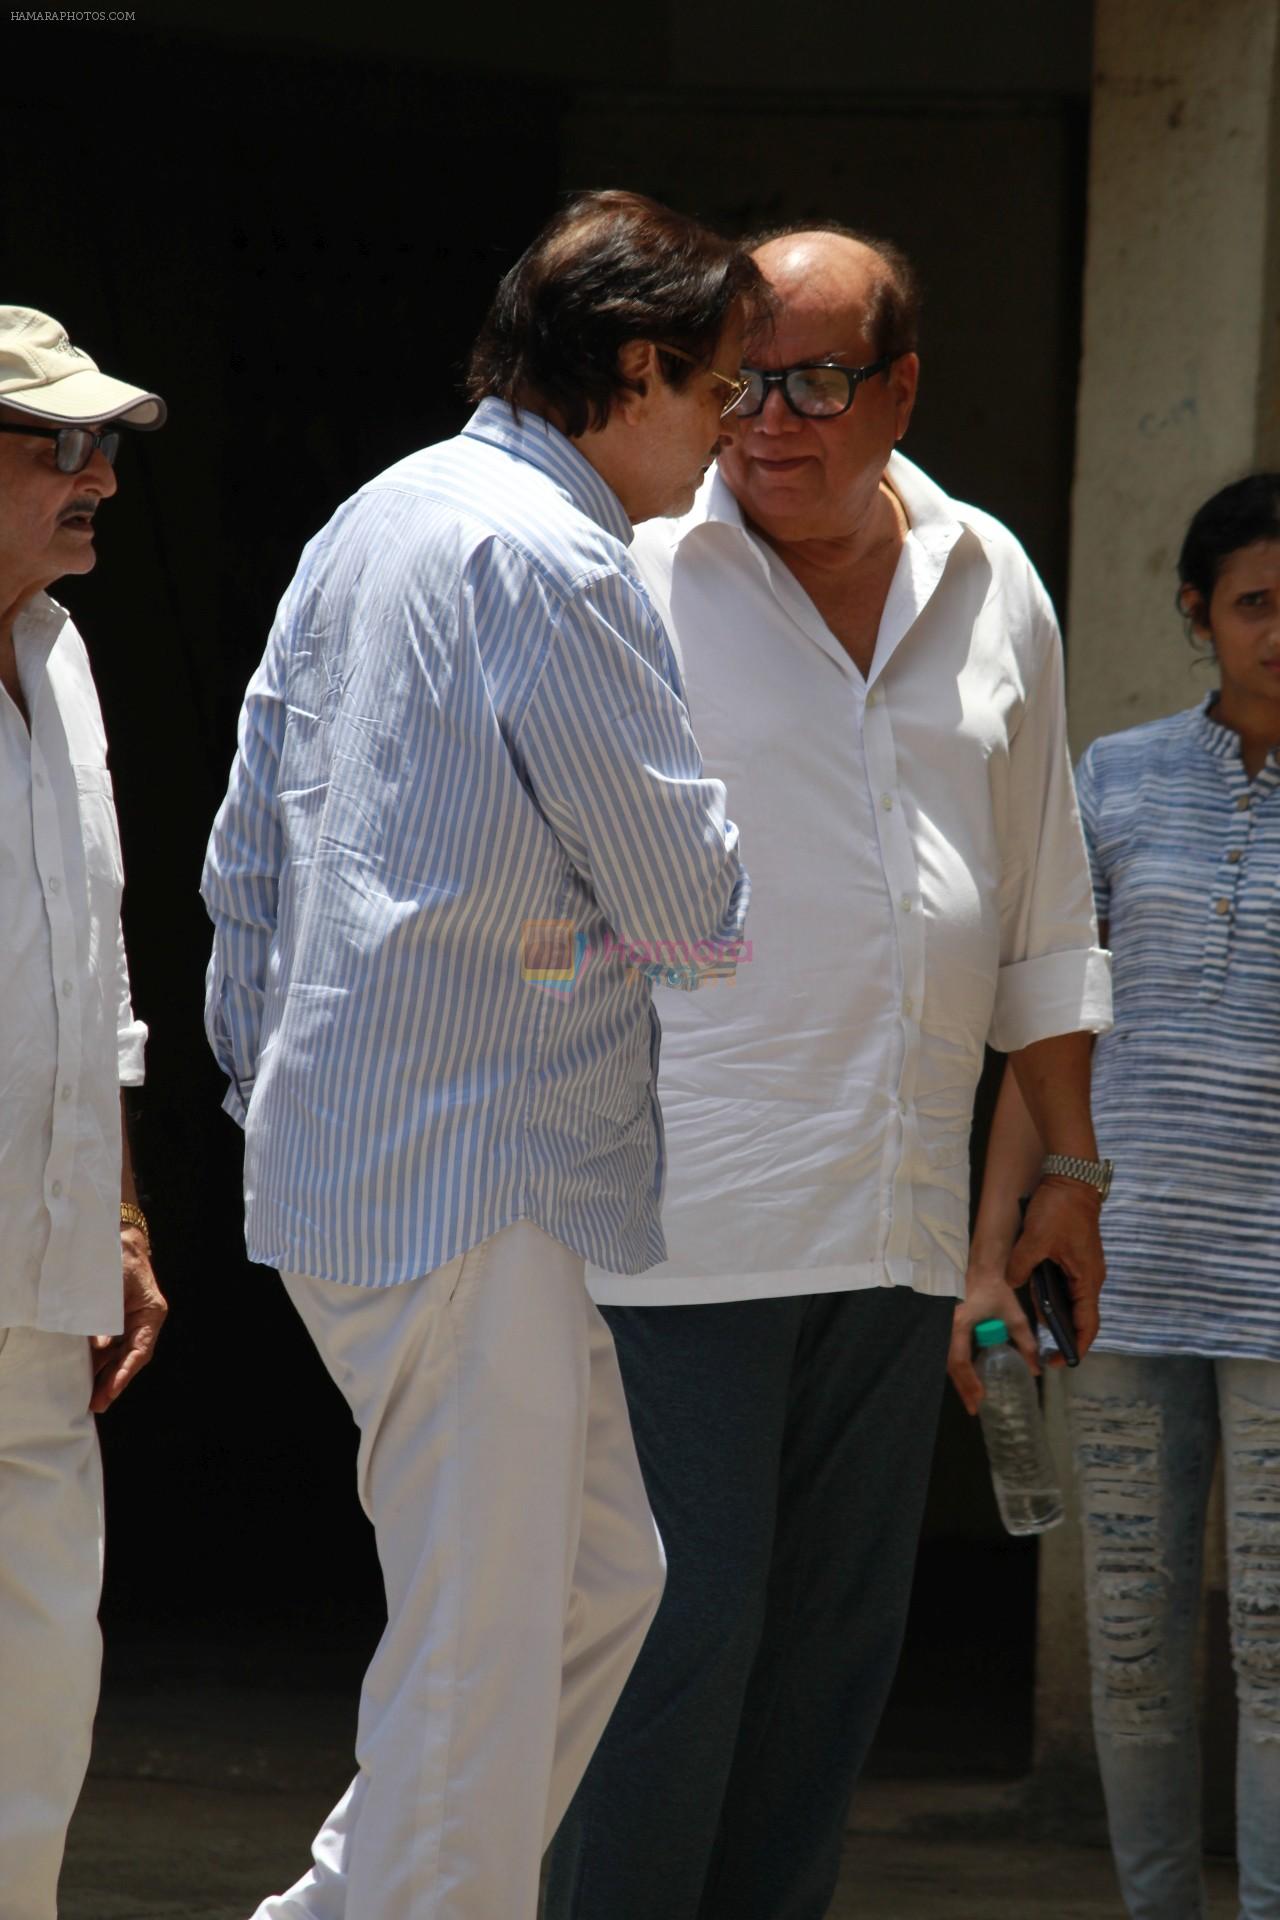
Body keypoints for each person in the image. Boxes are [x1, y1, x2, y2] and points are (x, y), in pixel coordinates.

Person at [201, 190, 765, 1920]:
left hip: (361, 1163)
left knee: (595, 1583)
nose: (740, 431)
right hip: (470, 1174)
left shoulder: (381, 516)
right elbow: (694, 904)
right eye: (734, 389)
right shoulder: (551, 551)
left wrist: (281, 1089)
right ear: (644, 364)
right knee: (487, 1654)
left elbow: (246, 867)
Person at [543, 223, 1113, 1920]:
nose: (768, 422)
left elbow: (1042, 894)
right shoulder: (628, 569)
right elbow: (523, 899)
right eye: (740, 384)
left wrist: (1066, 1180)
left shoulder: (988, 571)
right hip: (672, 1227)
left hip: (898, 1225)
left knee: (827, 1669)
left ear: (901, 387)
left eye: (813, 382)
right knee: (672, 1646)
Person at [952, 475, 1280, 1920]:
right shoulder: (1118, 779)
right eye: (1258, 601)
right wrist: (984, 1264)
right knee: (1136, 1638)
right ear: (1198, 614)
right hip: (1115, 1280)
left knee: (1277, 1639)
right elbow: (1043, 1037)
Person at [0, 305, 168, 1920]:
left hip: (37, 1303)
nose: (98, 474)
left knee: (38, 1712)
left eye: (104, 441)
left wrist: (117, 1215)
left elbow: (93, 977)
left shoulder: (62, 655)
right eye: (58, 442)